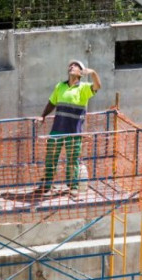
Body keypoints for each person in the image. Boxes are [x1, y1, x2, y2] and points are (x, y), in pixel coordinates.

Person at [33, 60, 101, 196]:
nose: (71, 66)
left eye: (75, 66)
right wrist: (43, 116)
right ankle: (47, 184)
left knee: (72, 159)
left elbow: (97, 86)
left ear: (81, 72)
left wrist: (93, 73)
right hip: (57, 128)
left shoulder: (84, 88)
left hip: (73, 131)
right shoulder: (60, 86)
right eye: (70, 65)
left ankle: (73, 186)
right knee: (51, 157)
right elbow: (52, 102)